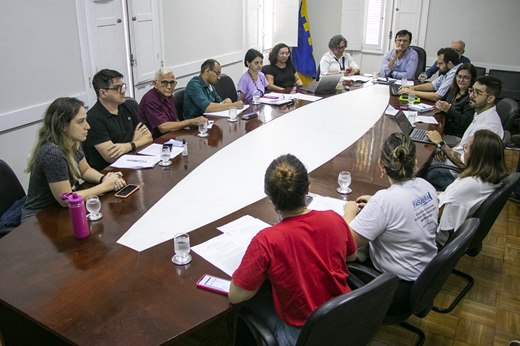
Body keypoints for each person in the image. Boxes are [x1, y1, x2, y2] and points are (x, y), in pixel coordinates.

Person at [230, 154, 357, 346]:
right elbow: (352, 256)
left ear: (268, 195)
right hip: (342, 321)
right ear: (307, 189)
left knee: (243, 306)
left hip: (301, 337)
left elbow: (236, 295)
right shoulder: (334, 219)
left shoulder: (267, 240)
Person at [343, 133, 438, 314]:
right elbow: (403, 208)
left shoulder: (385, 202)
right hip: (426, 278)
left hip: (396, 291)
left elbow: (348, 243)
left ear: (381, 165)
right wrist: (377, 205)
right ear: (415, 162)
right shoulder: (427, 187)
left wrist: (350, 211)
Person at [21, 98, 127, 223]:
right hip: (38, 219)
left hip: (57, 211)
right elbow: (66, 199)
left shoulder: (71, 143)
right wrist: (104, 187)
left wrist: (105, 179)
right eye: (80, 122)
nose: (87, 126)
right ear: (63, 126)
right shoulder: (53, 154)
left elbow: (85, 170)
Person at [426, 76, 504, 190]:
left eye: (478, 93)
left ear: (490, 98)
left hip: (458, 174)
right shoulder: (481, 114)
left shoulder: (486, 127)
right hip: (454, 161)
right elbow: (464, 143)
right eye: (472, 90)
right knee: (424, 147)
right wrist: (448, 150)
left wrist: (442, 145)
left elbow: (466, 163)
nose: (471, 95)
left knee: (419, 166)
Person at [437, 130, 508, 245]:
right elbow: (448, 197)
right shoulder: (489, 177)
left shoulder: (469, 185)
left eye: (466, 148)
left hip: (435, 234)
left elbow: (435, 212)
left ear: (477, 155)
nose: (463, 152)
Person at [82, 69, 152, 171]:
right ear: (103, 93)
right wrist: (134, 142)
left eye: (122, 86)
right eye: (117, 88)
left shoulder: (126, 107)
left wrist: (128, 146)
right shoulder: (93, 118)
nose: (123, 91)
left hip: (132, 162)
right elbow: (112, 157)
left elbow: (148, 137)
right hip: (107, 172)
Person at [138, 67, 206, 139]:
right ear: (155, 84)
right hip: (154, 141)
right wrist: (191, 122)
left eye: (172, 82)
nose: (169, 87)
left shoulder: (168, 96)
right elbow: (163, 127)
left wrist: (186, 130)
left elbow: (174, 120)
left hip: (170, 136)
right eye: (164, 83)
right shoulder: (150, 99)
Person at [433, 63, 478, 140]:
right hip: (443, 129)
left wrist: (448, 110)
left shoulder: (471, 98)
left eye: (466, 77)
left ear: (472, 79)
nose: (461, 80)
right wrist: (439, 106)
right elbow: (441, 99)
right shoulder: (453, 90)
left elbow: (466, 122)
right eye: (459, 76)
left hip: (456, 136)